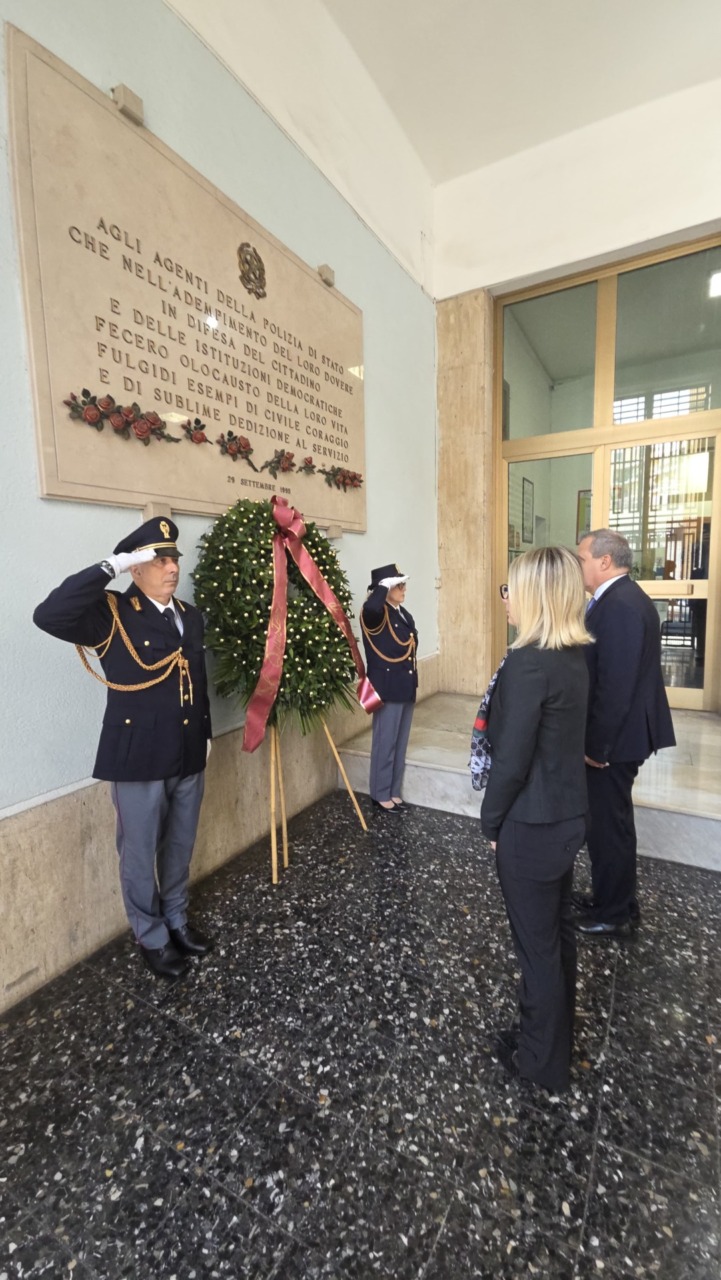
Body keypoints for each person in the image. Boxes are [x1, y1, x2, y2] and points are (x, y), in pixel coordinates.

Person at [33, 517, 214, 980]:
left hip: (187, 749)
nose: (171, 567)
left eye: (173, 557)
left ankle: (176, 919)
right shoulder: (110, 611)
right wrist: (109, 566)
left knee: (179, 843)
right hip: (138, 756)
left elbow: (195, 678)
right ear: (136, 569)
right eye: (157, 560)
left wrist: (206, 734)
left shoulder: (189, 615)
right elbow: (49, 614)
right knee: (138, 850)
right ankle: (150, 935)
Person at [480, 546, 592, 1092]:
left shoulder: (528, 663)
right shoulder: (570, 655)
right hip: (565, 816)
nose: (505, 599)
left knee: (538, 949)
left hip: (531, 823)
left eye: (511, 589)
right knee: (556, 937)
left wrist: (491, 822)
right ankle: (549, 1037)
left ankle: (541, 1063)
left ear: (536, 597)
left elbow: (512, 760)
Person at [574, 529, 675, 938]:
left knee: (606, 827)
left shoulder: (620, 605)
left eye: (582, 557)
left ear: (604, 561)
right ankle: (614, 899)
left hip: (616, 741)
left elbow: (616, 685)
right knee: (612, 823)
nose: (578, 564)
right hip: (622, 736)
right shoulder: (619, 598)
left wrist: (597, 747)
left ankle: (614, 914)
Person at [361, 563, 417, 813]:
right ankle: (379, 793)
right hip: (386, 687)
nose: (404, 589)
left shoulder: (401, 613)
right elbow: (371, 607)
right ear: (385, 589)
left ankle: (393, 791)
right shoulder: (374, 612)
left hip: (404, 685)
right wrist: (381, 587)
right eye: (399, 585)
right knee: (385, 743)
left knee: (399, 742)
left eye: (404, 584)